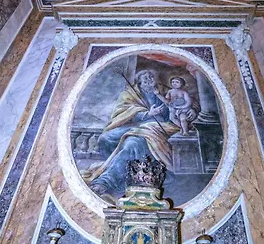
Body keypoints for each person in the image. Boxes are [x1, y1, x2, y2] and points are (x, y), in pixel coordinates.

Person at [83, 70, 198, 198]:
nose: (149, 80)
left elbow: (188, 100)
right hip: (135, 124)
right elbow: (121, 113)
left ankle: (106, 181)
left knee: (132, 144)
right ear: (139, 82)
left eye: (151, 77)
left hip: (160, 125)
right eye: (145, 79)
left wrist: (193, 109)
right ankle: (118, 165)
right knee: (106, 138)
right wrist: (147, 114)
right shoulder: (130, 94)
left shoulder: (163, 90)